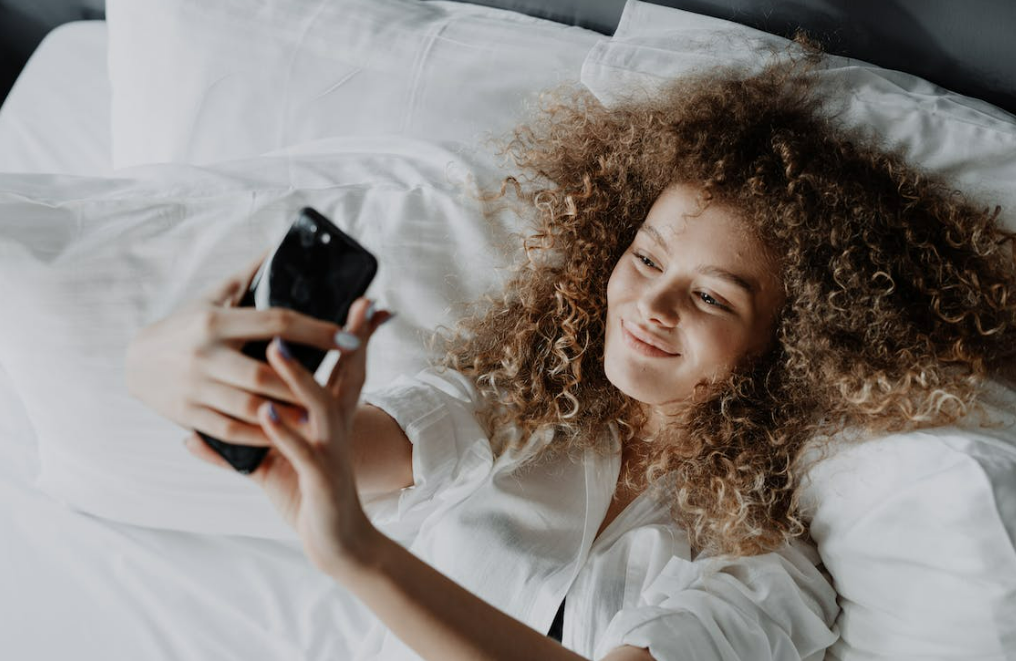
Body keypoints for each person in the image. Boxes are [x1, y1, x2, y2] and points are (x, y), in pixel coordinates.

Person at [125, 47, 1016, 661]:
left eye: (712, 296)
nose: (653, 306)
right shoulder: (509, 410)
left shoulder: (765, 567)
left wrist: (356, 551)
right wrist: (165, 369)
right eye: (646, 259)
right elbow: (344, 444)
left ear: (788, 345)